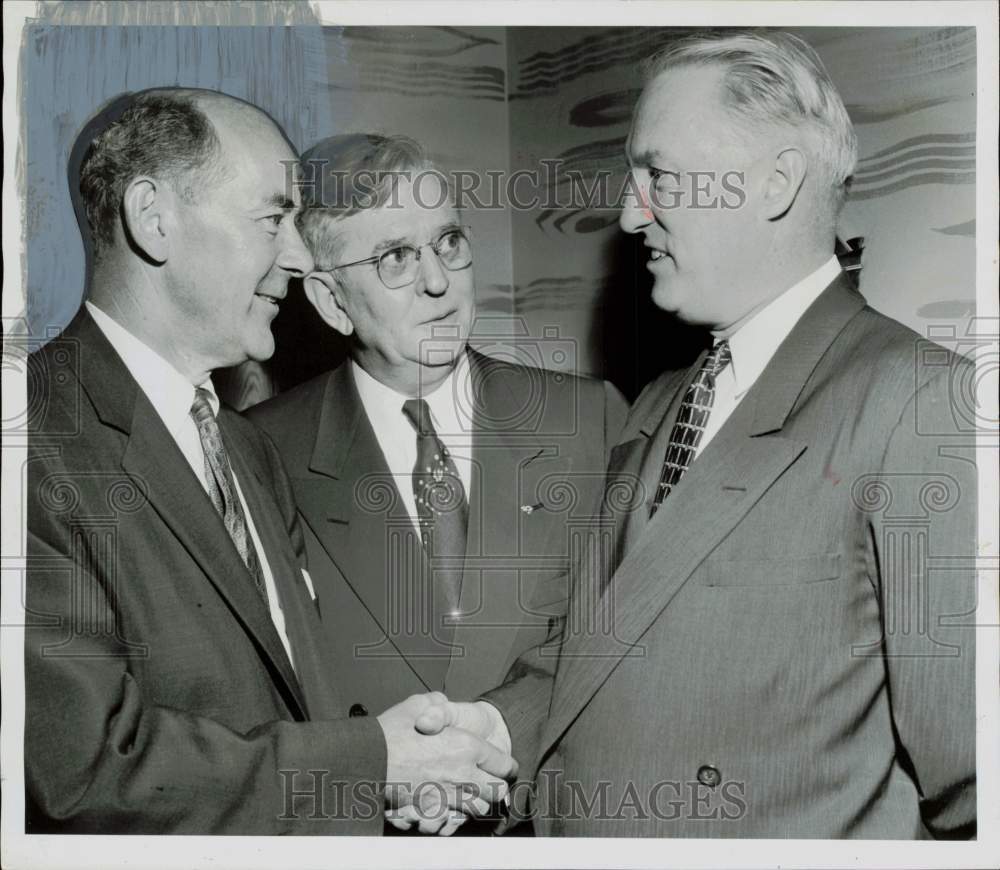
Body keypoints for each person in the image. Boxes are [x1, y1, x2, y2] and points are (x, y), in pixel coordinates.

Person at [418, 30, 977, 838]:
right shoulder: (657, 402)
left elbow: (972, 783)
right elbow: (600, 651)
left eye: (658, 176)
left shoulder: (919, 401)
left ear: (775, 182)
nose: (626, 212)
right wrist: (492, 733)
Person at [24, 88, 513, 835]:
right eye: (272, 219)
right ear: (154, 219)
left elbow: (293, 704)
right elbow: (86, 772)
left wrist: (395, 772)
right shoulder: (28, 437)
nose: (296, 255)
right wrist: (372, 766)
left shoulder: (246, 448)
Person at [246, 134, 626, 832]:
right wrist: (377, 776)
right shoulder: (261, 450)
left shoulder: (587, 420)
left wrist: (495, 736)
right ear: (332, 302)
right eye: (396, 258)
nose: (438, 281)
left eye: (448, 242)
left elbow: (616, 637)